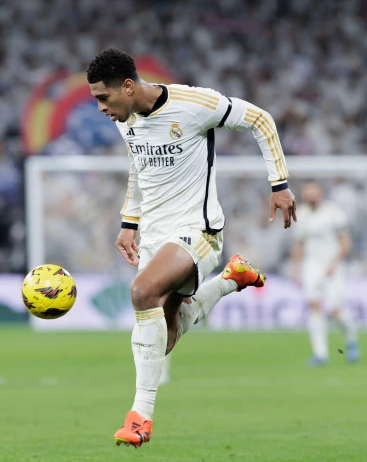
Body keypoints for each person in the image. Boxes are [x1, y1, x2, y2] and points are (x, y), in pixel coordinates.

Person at [86, 48, 296, 448]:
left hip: (198, 232)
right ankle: (229, 280)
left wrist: (279, 184)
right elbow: (138, 169)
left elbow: (260, 119)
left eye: (103, 97)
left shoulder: (193, 104)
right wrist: (129, 222)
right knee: (165, 336)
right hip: (154, 236)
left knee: (142, 292)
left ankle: (139, 417)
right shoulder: (126, 120)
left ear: (127, 86)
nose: (100, 108)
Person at [290, 182, 359, 365]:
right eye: (307, 194)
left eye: (313, 193)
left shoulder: (333, 212)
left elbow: (345, 241)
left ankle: (351, 338)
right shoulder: (300, 214)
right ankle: (320, 354)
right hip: (311, 266)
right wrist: (296, 269)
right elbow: (299, 244)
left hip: (332, 265)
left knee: (335, 311)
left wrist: (335, 262)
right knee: (314, 307)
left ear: (320, 194)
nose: (310, 197)